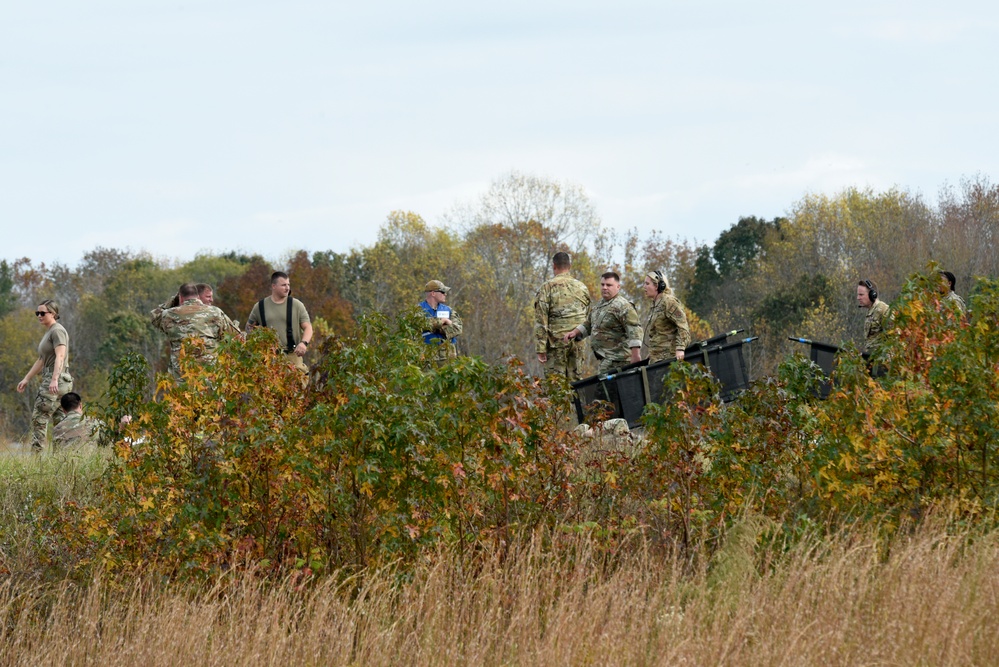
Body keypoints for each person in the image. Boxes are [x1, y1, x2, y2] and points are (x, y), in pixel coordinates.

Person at [16, 299, 74, 451]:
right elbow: (42, 360)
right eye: (37, 313)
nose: (39, 316)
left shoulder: (57, 331)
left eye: (42, 313)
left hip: (56, 379)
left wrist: (54, 379)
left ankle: (37, 459)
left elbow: (60, 356)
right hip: (59, 380)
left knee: (39, 418)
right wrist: (26, 378)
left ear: (53, 314)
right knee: (60, 420)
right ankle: (61, 460)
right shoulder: (49, 332)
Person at [154, 283, 242, 376]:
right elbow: (235, 335)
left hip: (181, 374)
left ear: (181, 297)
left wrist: (174, 299)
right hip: (210, 373)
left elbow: (155, 316)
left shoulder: (168, 314)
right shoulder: (215, 312)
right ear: (198, 297)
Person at [564, 272, 643, 374]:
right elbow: (589, 324)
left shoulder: (623, 306)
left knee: (605, 389)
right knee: (605, 389)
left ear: (618, 287)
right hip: (605, 360)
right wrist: (575, 332)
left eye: (609, 285)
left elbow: (635, 330)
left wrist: (636, 355)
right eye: (602, 284)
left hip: (619, 361)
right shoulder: (599, 305)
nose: (605, 288)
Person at [533, 252, 591, 380]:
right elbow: (589, 317)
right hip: (577, 343)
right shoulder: (582, 287)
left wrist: (541, 347)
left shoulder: (547, 287)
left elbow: (541, 320)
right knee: (576, 385)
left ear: (554, 266)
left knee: (556, 386)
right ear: (569, 266)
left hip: (556, 344)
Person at [245, 272, 313, 371]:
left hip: (292, 356)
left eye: (288, 284)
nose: (287, 288)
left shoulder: (297, 305)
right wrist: (255, 344)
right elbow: (249, 327)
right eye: (283, 285)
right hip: (269, 358)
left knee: (298, 384)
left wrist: (303, 343)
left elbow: (308, 327)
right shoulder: (260, 306)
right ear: (274, 286)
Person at [642, 270, 690, 364]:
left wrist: (680, 349)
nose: (644, 287)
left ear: (657, 286)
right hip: (657, 359)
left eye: (647, 284)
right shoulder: (655, 304)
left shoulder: (668, 302)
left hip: (669, 358)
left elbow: (683, 326)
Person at [420, 280, 463, 364]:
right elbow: (420, 325)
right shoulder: (418, 310)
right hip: (427, 358)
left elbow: (458, 328)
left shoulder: (449, 310)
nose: (445, 294)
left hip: (448, 357)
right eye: (443, 292)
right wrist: (442, 321)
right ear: (433, 293)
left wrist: (438, 327)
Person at [857, 279, 890, 354]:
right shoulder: (871, 312)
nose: (858, 298)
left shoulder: (883, 310)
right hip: (873, 360)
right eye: (858, 294)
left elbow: (895, 336)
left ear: (872, 294)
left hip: (883, 361)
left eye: (861, 295)